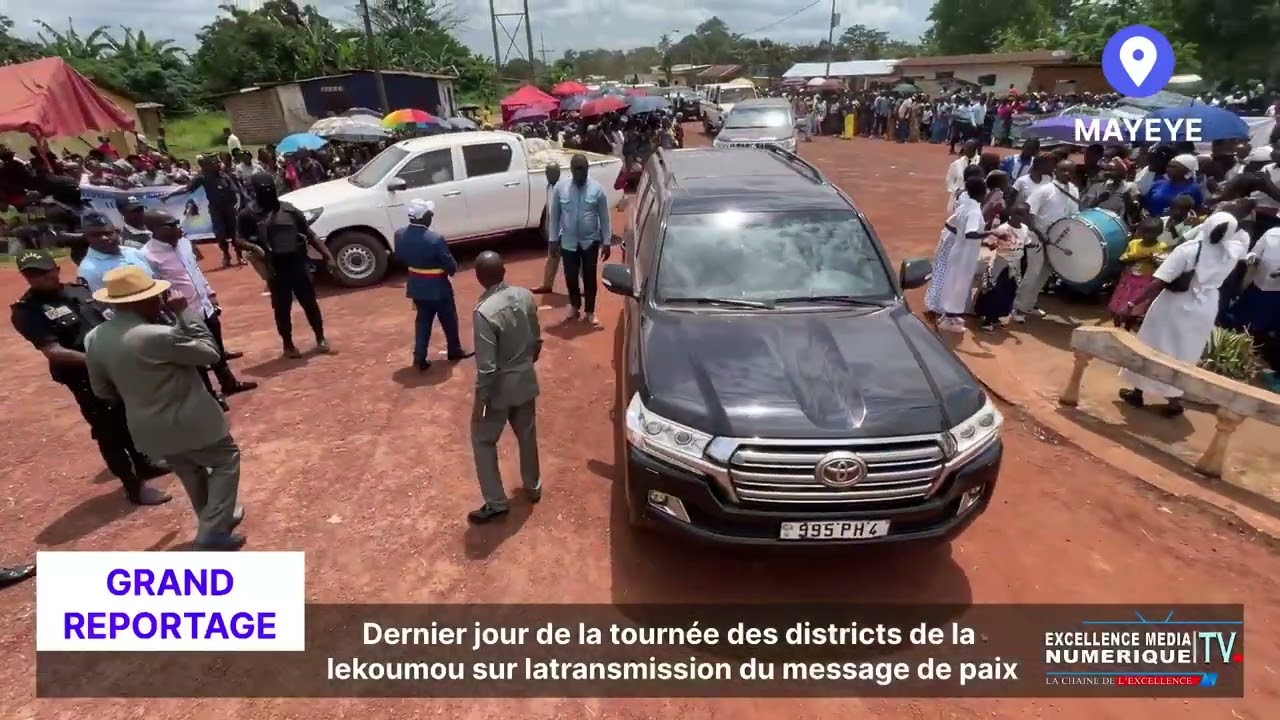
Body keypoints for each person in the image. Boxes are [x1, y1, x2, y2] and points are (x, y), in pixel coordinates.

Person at [85, 266, 247, 550]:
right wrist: (184, 312)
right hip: (191, 420)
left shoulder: (95, 338)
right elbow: (210, 353)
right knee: (225, 461)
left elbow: (102, 391)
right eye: (155, 297)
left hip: (148, 427)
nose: (161, 301)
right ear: (140, 302)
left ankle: (213, 520)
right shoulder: (154, 335)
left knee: (189, 470)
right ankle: (212, 533)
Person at [9, 250, 170, 505]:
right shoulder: (27, 311)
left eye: (44, 271)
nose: (40, 278)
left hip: (117, 369)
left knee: (129, 418)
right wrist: (98, 362)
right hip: (85, 377)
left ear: (56, 268)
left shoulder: (80, 291)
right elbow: (53, 351)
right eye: (32, 274)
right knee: (109, 431)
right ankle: (133, 487)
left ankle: (145, 464)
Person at [1117, 212, 1249, 416]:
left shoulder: (1189, 250)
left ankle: (1138, 392)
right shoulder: (1232, 252)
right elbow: (1241, 234)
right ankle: (1174, 401)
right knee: (1184, 354)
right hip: (1205, 307)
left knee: (1153, 346)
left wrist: (1132, 303)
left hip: (1175, 304)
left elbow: (1159, 281)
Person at [142, 209, 258, 400]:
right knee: (196, 358)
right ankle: (209, 396)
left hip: (205, 306)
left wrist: (210, 294)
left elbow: (196, 272)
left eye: (176, 222)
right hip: (183, 315)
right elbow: (155, 290)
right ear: (154, 229)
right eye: (170, 225)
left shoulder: (185, 243)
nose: (177, 227)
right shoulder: (147, 256)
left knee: (217, 349)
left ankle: (229, 383)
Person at [468, 251, 543, 524]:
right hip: (526, 381)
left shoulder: (483, 312)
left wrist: (480, 405)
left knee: (482, 440)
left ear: (479, 278)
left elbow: (486, 369)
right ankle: (533, 487)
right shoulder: (525, 296)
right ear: (503, 271)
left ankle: (496, 502)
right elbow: (536, 341)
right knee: (527, 434)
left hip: (500, 391)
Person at [241, 171, 335, 358]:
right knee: (282, 309)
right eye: (263, 190)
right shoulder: (249, 214)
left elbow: (310, 234)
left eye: (270, 189)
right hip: (274, 268)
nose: (268, 193)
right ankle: (288, 345)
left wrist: (328, 256)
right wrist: (254, 247)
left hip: (297, 263)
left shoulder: (289, 210)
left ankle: (320, 337)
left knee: (310, 303)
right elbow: (238, 238)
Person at [392, 199, 473, 370]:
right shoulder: (435, 239)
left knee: (422, 320)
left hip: (416, 284)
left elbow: (399, 258)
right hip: (438, 287)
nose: (432, 215)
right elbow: (451, 267)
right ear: (422, 217)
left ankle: (419, 356)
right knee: (449, 319)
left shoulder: (399, 234)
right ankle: (454, 350)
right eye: (429, 213)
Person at [547, 154, 615, 328]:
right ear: (571, 169)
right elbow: (554, 217)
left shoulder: (597, 190)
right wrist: (553, 240)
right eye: (577, 169)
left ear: (587, 169)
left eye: (583, 169)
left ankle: (590, 311)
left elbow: (604, 218)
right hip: (568, 242)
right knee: (570, 276)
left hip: (589, 242)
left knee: (589, 277)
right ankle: (574, 305)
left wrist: (606, 241)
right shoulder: (561, 189)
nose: (580, 173)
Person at [1014, 159, 1080, 323]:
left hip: (1059, 239)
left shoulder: (1074, 190)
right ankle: (1018, 307)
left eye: (1069, 171)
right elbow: (1029, 214)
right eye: (1063, 170)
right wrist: (1038, 233)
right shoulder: (1044, 190)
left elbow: (1073, 215)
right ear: (1055, 171)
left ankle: (1029, 304)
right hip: (1039, 237)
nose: (1066, 174)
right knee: (1033, 272)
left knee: (1045, 273)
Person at [926, 176, 991, 333]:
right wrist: (992, 232)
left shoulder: (965, 205)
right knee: (959, 286)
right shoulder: (974, 211)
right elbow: (971, 233)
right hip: (965, 254)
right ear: (983, 192)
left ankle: (950, 316)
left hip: (959, 251)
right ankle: (948, 320)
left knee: (954, 283)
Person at [164, 155, 244, 268]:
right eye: (215, 162)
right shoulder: (202, 177)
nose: (218, 164)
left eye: (218, 162)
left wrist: (238, 202)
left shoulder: (224, 175)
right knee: (220, 234)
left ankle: (239, 255)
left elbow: (235, 189)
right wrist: (170, 195)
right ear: (208, 165)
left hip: (230, 208)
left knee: (235, 234)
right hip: (216, 209)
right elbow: (187, 188)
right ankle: (226, 255)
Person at [974, 202, 1030, 330]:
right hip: (1001, 261)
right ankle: (986, 319)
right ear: (1011, 213)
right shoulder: (1003, 228)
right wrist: (1000, 242)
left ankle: (996, 317)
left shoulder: (1025, 229)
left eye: (1023, 215)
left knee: (1008, 292)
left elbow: (1026, 243)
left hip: (1015, 264)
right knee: (993, 289)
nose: (1019, 217)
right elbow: (990, 244)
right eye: (1017, 214)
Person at [1107, 217, 1169, 330]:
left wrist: (1154, 260)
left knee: (1136, 306)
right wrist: (1134, 258)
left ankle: (1127, 327)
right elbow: (1123, 258)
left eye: (1150, 233)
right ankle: (1116, 325)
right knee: (1119, 303)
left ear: (1158, 233)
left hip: (1144, 281)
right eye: (1143, 232)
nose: (1146, 236)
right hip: (1128, 279)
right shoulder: (1134, 243)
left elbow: (1162, 264)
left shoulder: (1161, 247)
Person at [75, 212, 157, 293]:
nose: (104, 238)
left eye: (108, 233)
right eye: (96, 235)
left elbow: (152, 279)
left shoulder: (133, 252)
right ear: (86, 238)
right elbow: (101, 303)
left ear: (118, 232)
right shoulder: (89, 270)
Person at [531, 163, 563, 294]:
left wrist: (559, 235)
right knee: (552, 259)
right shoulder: (549, 187)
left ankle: (584, 288)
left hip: (563, 232)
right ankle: (547, 284)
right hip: (553, 232)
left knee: (573, 262)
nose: (549, 176)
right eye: (548, 173)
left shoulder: (562, 189)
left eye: (552, 173)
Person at [945, 140, 980, 213]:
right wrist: (956, 190)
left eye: (969, 148)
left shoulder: (980, 162)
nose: (965, 149)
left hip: (975, 196)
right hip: (958, 196)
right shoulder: (956, 163)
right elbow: (949, 180)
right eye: (965, 147)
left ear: (975, 150)